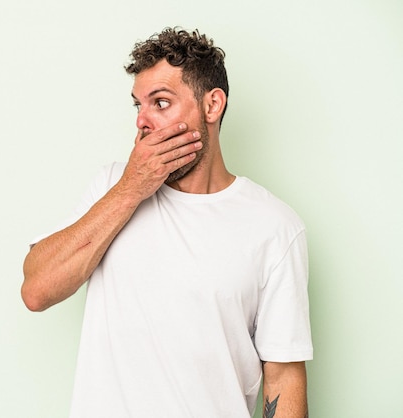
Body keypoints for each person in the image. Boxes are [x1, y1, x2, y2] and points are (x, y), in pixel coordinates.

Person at [22, 27, 312, 418]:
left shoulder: (275, 227)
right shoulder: (112, 186)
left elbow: (283, 375)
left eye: (160, 102)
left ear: (213, 106)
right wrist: (131, 188)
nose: (142, 121)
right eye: (137, 106)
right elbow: (36, 290)